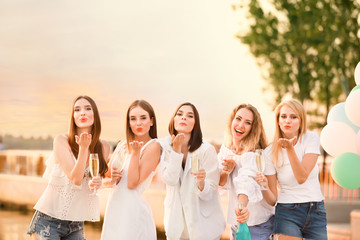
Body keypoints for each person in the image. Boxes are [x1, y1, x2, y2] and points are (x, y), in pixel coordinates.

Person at [27, 95, 111, 239]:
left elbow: (98, 179)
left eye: (87, 108)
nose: (82, 113)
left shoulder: (104, 147)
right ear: (73, 117)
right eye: (77, 110)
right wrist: (84, 149)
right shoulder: (61, 141)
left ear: (95, 115)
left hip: (76, 224)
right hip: (49, 221)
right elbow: (75, 179)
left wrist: (97, 182)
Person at [258, 99, 327, 240]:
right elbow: (272, 200)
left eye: (293, 117)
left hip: (316, 209)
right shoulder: (269, 152)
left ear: (301, 120)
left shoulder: (311, 139)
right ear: (278, 120)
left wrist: (290, 149)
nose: (287, 121)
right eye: (283, 116)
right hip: (287, 211)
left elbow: (301, 177)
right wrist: (263, 186)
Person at [159, 102, 226, 240]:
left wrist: (201, 182)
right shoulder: (165, 148)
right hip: (176, 227)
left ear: (195, 123)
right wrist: (176, 150)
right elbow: (170, 180)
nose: (183, 117)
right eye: (179, 114)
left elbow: (210, 192)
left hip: (205, 227)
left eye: (190, 116)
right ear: (173, 120)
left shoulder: (207, 150)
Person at [101, 99, 161, 240]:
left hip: (132, 214)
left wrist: (135, 154)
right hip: (114, 210)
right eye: (133, 119)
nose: (138, 123)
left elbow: (132, 184)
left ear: (151, 121)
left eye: (143, 118)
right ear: (128, 122)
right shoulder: (122, 145)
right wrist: (111, 178)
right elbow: (106, 176)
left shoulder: (154, 146)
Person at [218, 103, 274, 240]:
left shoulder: (255, 154)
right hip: (237, 223)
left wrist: (242, 207)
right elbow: (219, 184)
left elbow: (246, 181)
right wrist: (226, 171)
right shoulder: (226, 150)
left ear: (253, 129)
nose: (241, 125)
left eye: (247, 123)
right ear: (232, 120)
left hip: (257, 225)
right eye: (238, 119)